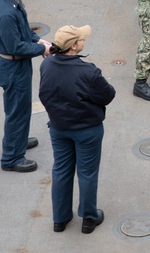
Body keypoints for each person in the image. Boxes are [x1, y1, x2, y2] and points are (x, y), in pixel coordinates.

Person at [39, 24, 116, 234]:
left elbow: (44, 94)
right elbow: (108, 95)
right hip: (86, 130)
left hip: (58, 128)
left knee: (61, 171)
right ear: (73, 46)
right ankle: (89, 218)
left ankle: (60, 219)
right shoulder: (88, 71)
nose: (84, 41)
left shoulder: (47, 66)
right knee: (87, 173)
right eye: (81, 39)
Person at [0, 0, 51, 172]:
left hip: (17, 65)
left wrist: (37, 40)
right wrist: (42, 50)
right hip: (13, 67)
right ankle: (11, 158)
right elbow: (15, 46)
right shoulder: (5, 13)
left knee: (21, 108)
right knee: (17, 110)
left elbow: (22, 29)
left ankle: (18, 140)